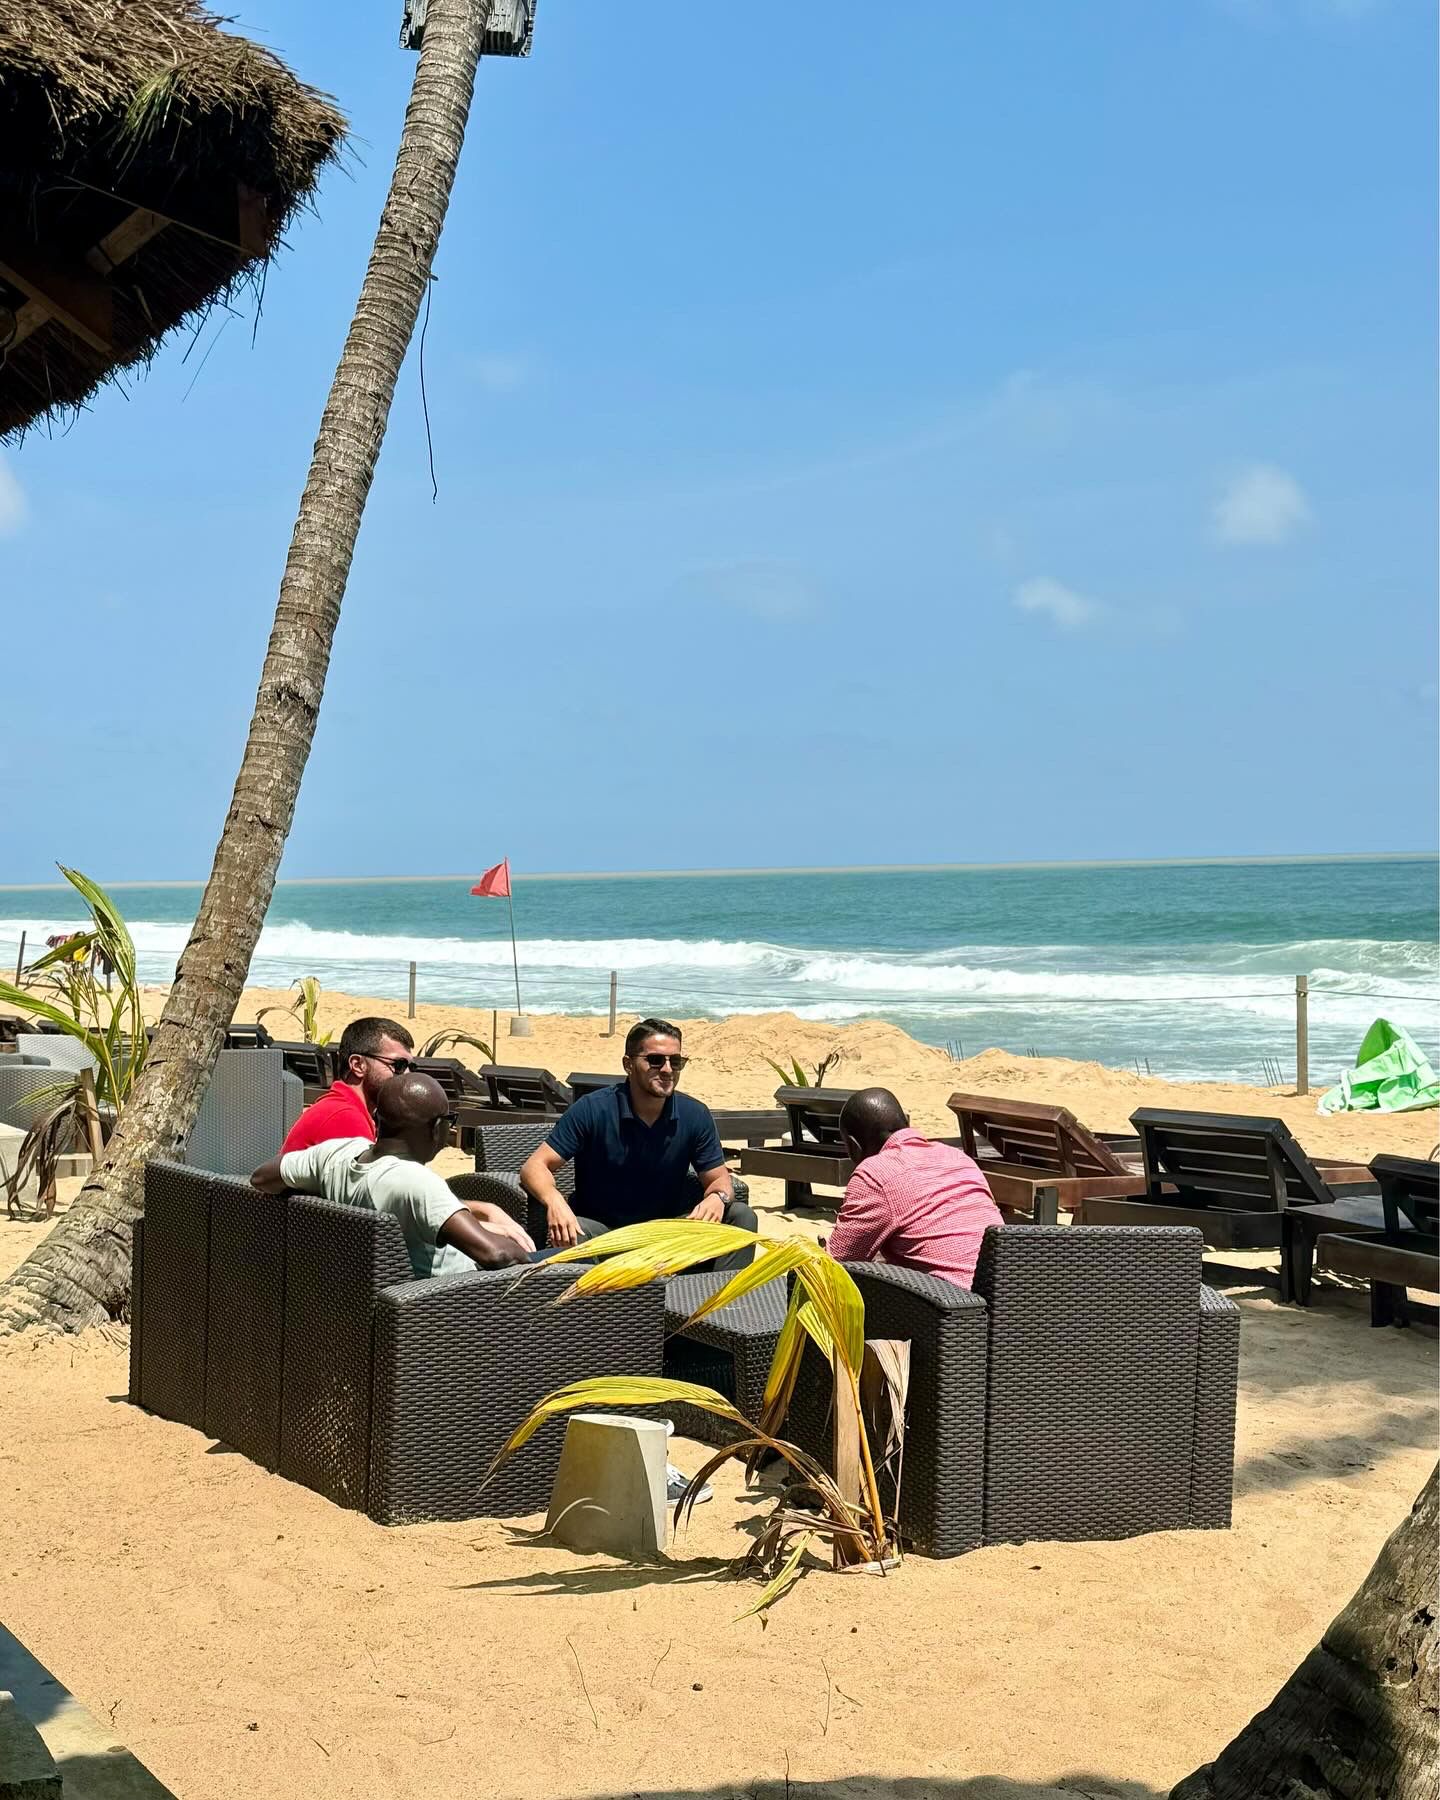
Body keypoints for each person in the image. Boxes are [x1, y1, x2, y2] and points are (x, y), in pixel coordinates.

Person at [519, 1017, 757, 1271]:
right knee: (574, 1233)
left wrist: (718, 1198)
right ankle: (595, 1298)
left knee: (741, 1216)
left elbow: (720, 1180)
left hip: (667, 1234)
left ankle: (721, 1295)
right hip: (604, 1235)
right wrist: (555, 1201)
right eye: (655, 1060)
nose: (667, 1069)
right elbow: (534, 1167)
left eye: (676, 1061)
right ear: (628, 1064)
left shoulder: (694, 1114)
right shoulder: (593, 1109)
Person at [252, 1071, 534, 1276]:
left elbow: (262, 1178)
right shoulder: (417, 1182)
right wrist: (533, 1259)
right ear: (437, 1129)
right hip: (454, 1302)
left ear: (377, 1120)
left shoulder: (335, 1154)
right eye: (450, 1120)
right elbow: (497, 1256)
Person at [827, 1087, 1004, 1288]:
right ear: (906, 1123)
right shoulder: (959, 1158)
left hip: (950, 1300)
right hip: (1009, 1292)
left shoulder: (874, 1174)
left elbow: (836, 1265)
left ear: (853, 1146)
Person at [280, 1016, 416, 1154]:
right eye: (399, 1065)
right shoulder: (344, 1119)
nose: (407, 1074)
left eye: (411, 1067)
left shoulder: (343, 1108)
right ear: (358, 1065)